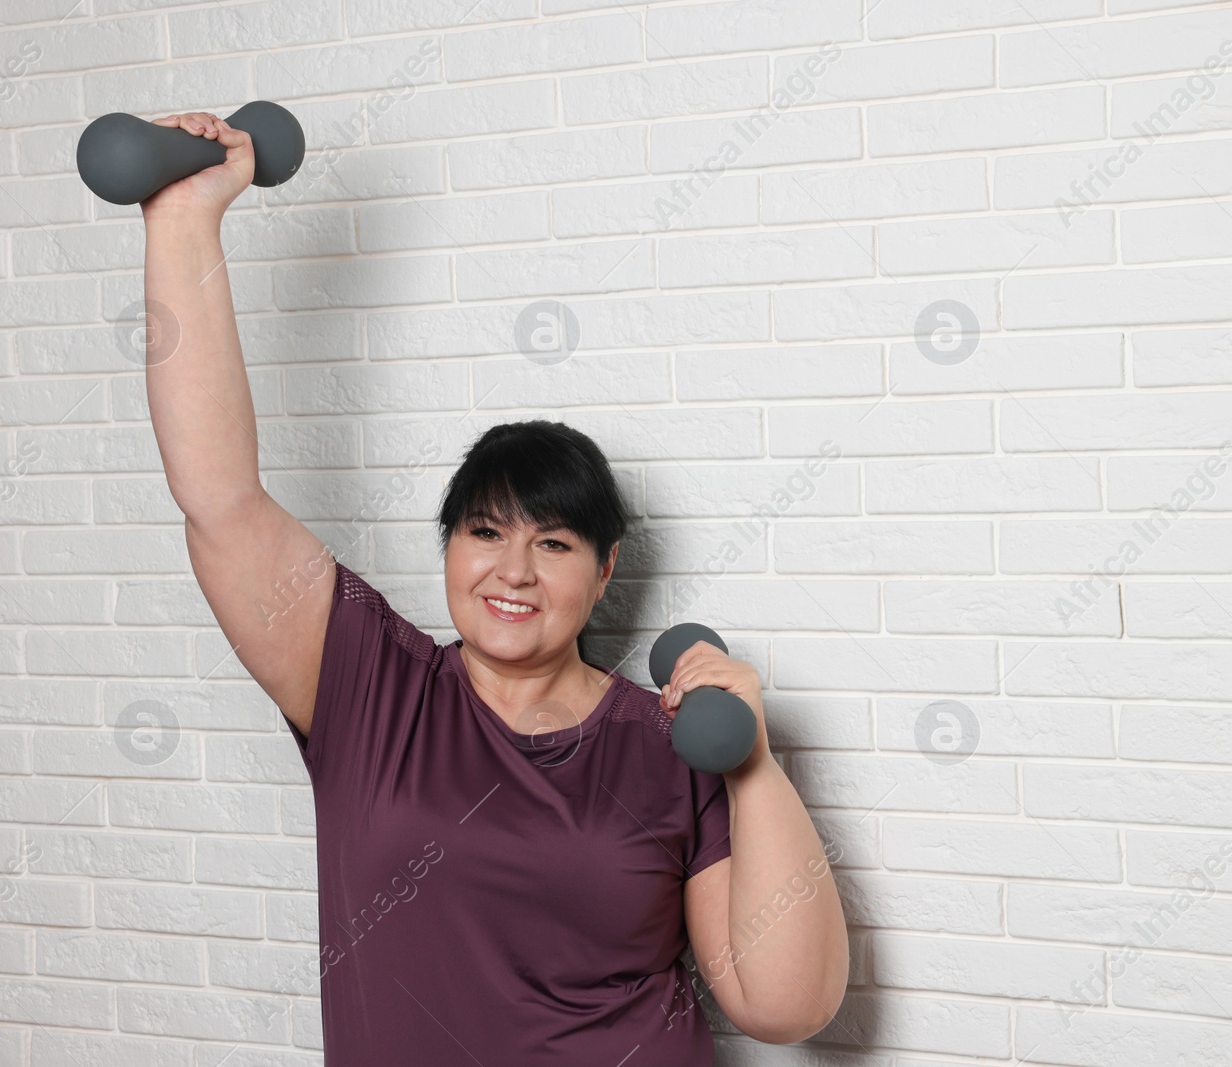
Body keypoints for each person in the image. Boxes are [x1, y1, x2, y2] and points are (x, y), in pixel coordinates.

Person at [138, 111, 849, 1065]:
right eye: (483, 532)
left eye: (553, 543)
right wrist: (184, 219)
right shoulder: (370, 687)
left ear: (603, 573)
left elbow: (786, 1005)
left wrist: (752, 757)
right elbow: (220, 499)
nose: (512, 569)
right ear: (447, 552)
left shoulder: (669, 748)